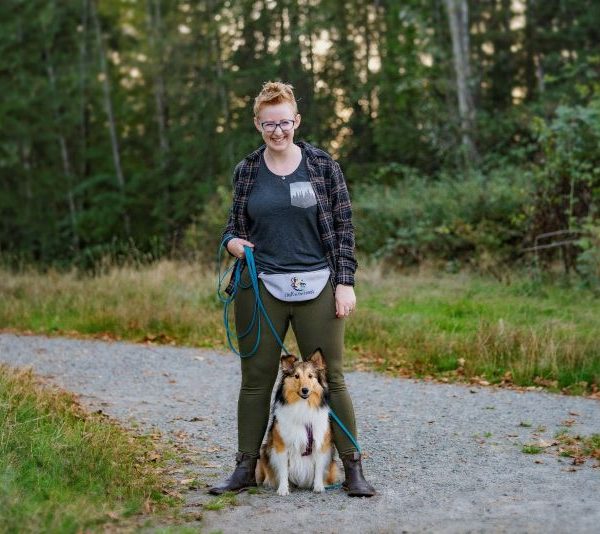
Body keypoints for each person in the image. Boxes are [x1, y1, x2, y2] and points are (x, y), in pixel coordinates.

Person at [209, 81, 375, 497]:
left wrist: (345, 282)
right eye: (269, 124)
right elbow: (235, 226)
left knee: (331, 377)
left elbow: (343, 229)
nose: (277, 131)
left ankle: (353, 469)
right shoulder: (247, 170)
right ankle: (245, 468)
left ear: (296, 121)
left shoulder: (321, 165)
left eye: (284, 122)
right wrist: (231, 242)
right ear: (258, 124)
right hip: (261, 285)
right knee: (256, 378)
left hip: (318, 284)